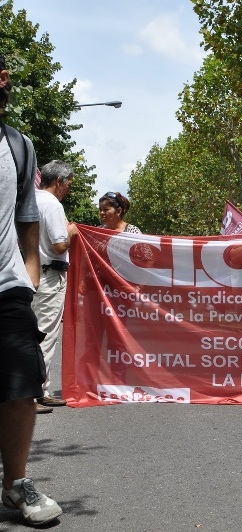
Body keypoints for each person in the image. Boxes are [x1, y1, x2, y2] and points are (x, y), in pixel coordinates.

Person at [0, 52, 63, 525]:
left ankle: (15, 485)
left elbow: (28, 226)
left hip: (9, 290)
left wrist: (29, 279)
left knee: (23, 389)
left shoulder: (19, 146)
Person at [32, 160, 78, 413]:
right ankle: (35, 392)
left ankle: (32, 389)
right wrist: (71, 232)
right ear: (58, 181)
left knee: (30, 332)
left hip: (31, 271)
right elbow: (59, 246)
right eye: (68, 184)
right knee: (45, 335)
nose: (68, 189)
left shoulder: (30, 200)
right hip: (50, 274)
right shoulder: (52, 205)